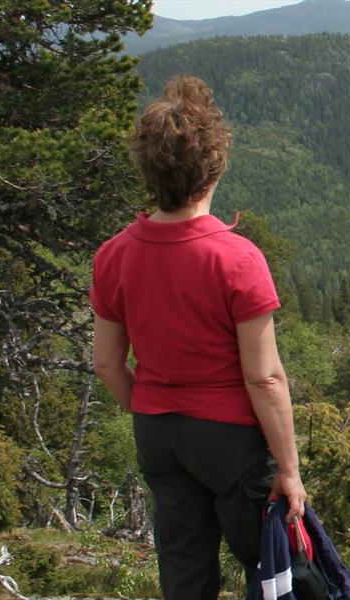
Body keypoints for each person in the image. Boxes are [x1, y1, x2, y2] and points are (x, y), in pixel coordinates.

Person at [90, 74, 309, 600]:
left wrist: (150, 407)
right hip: (231, 439)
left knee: (184, 573)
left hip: (159, 436)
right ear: (215, 167)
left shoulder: (115, 254)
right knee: (275, 568)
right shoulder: (236, 258)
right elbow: (265, 377)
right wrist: (289, 469)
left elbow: (107, 364)